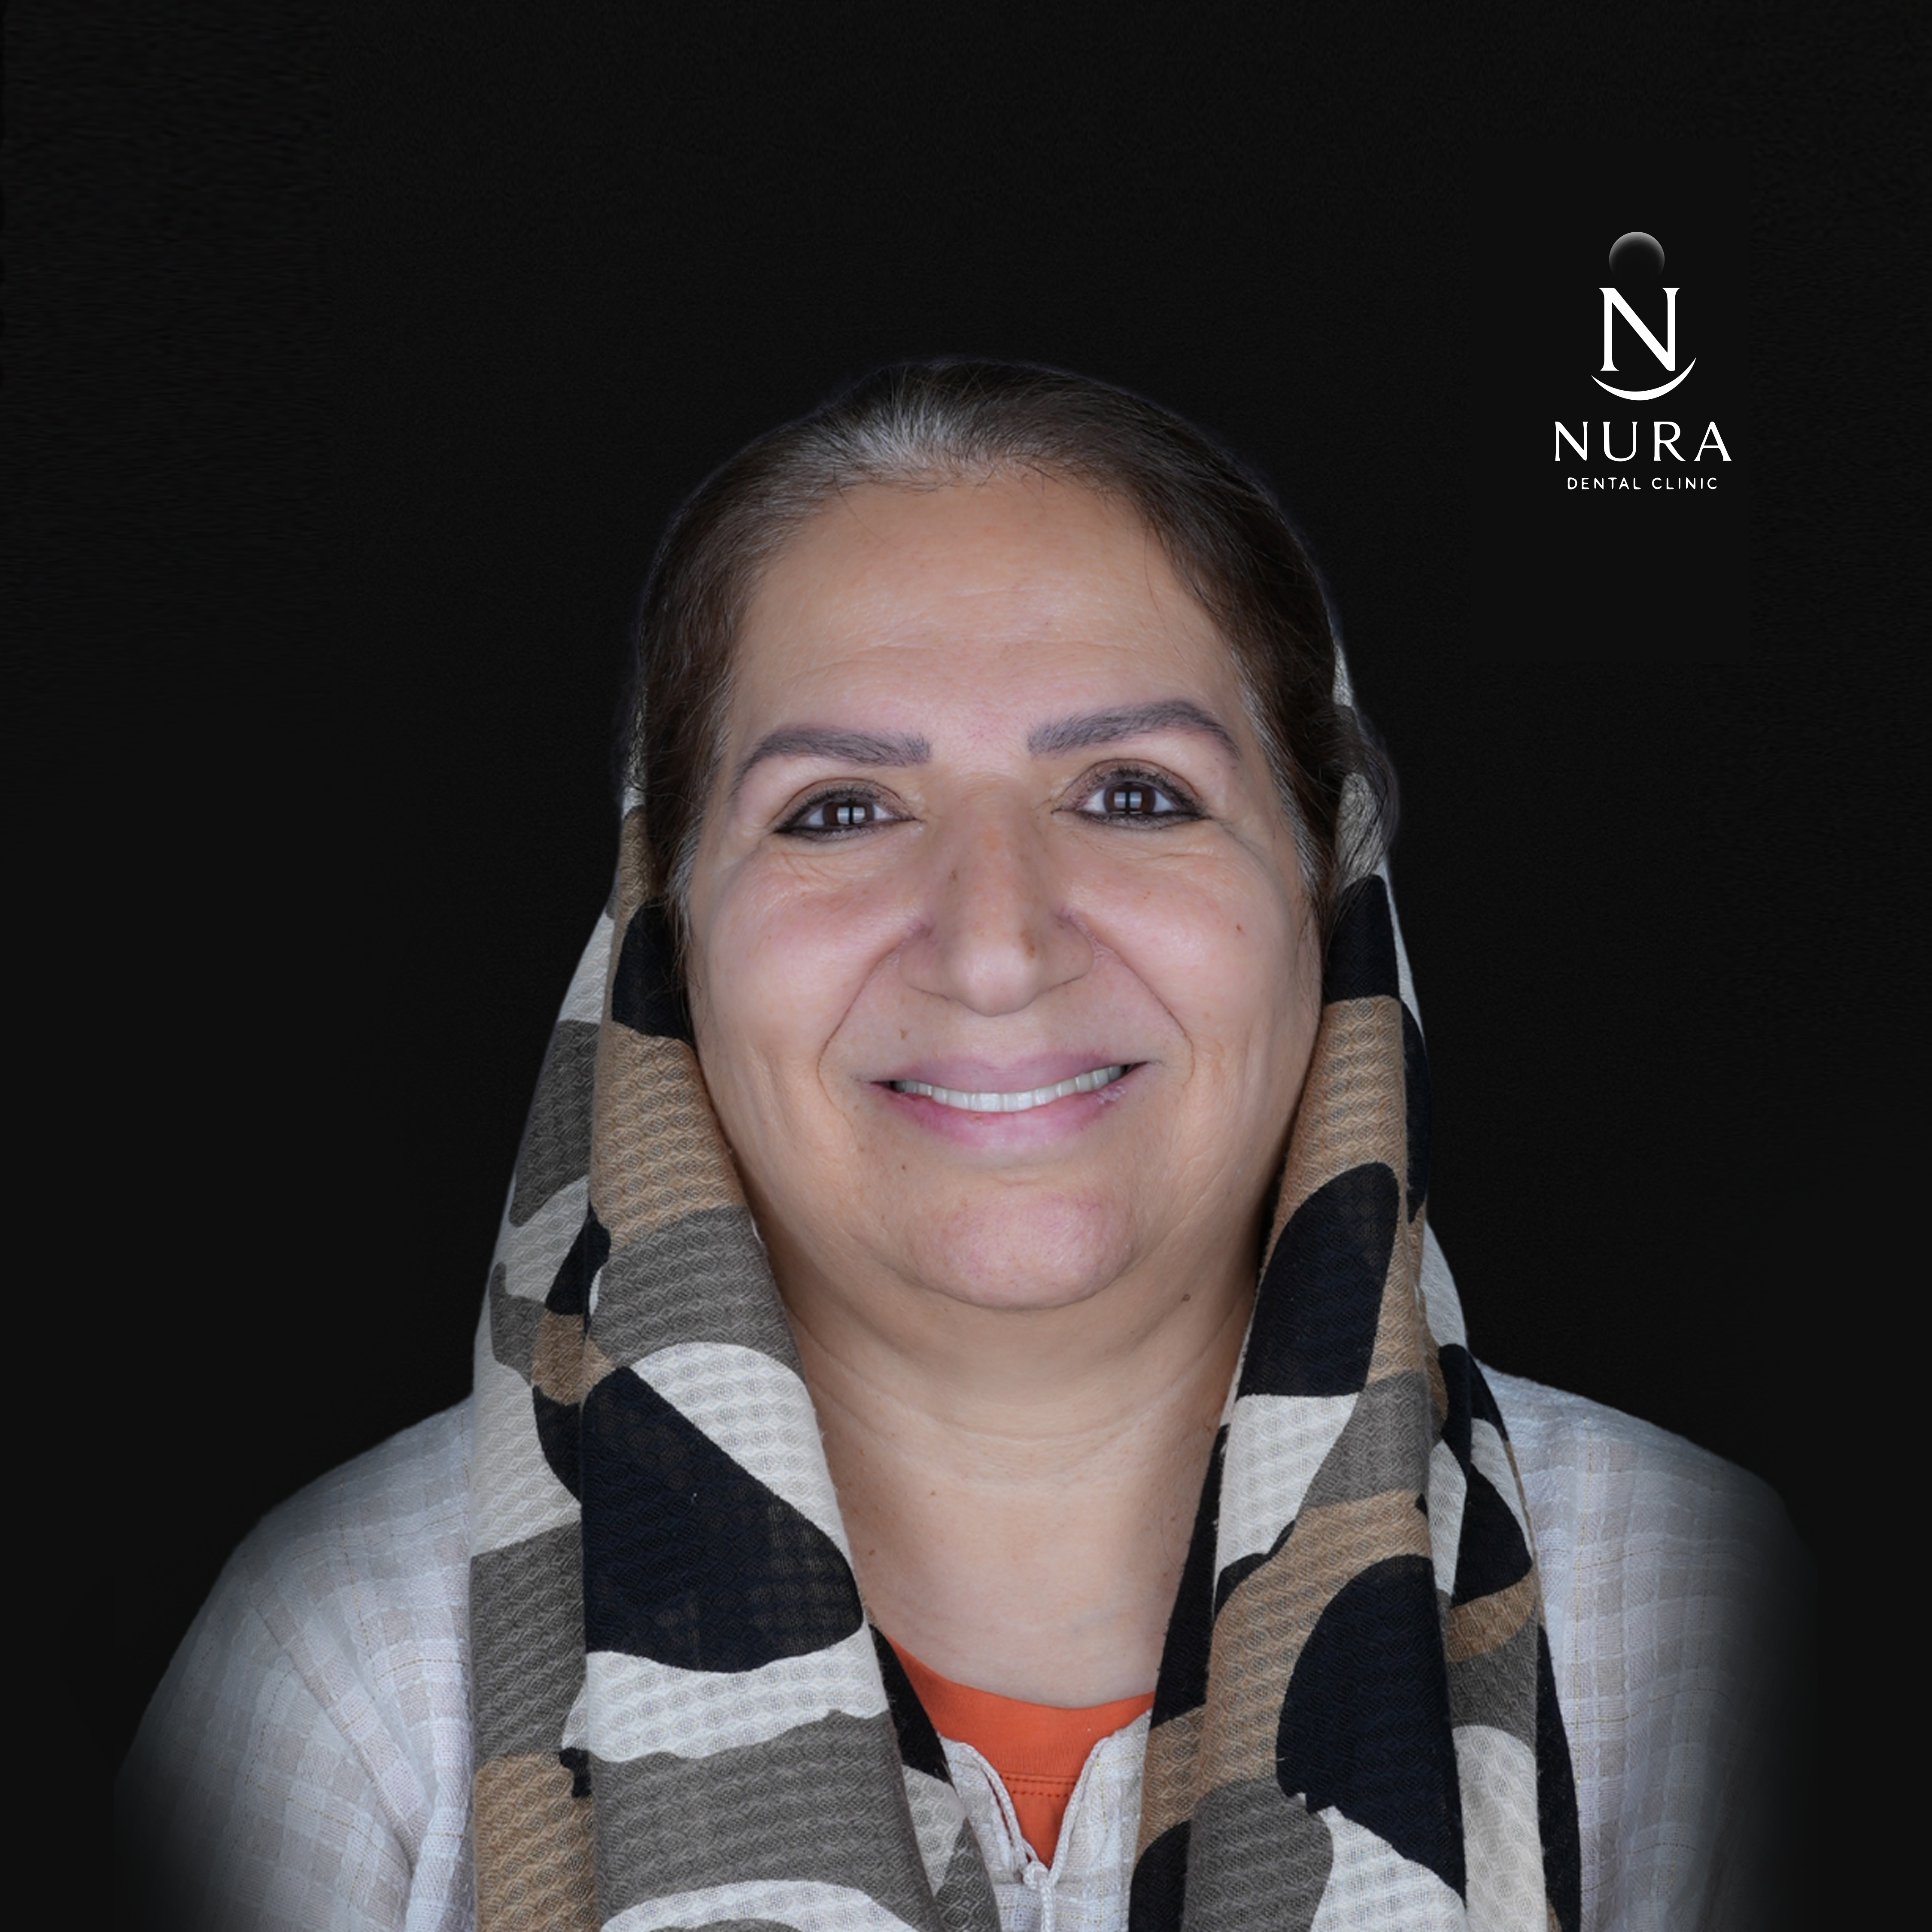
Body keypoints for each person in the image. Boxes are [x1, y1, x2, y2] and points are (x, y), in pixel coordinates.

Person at [120, 362, 1804, 1932]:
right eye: (839, 810)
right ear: (665, 934)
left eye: (1134, 792)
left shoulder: (1706, 1632)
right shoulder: (355, 1667)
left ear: (1328, 888)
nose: (995, 947)